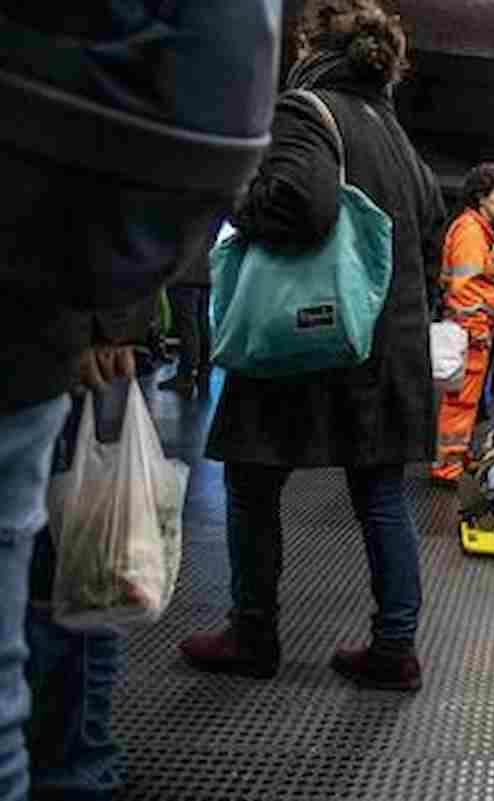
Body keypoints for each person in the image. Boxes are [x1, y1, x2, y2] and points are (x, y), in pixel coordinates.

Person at [1, 6, 280, 800]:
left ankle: (77, 760)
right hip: (58, 308)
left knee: (71, 563)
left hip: (55, 313)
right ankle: (73, 758)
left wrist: (108, 306)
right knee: (71, 558)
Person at [181, 0, 445, 692]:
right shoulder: (392, 128)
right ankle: (395, 645)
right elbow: (432, 221)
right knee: (381, 497)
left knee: (250, 478)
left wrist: (236, 196)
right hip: (384, 344)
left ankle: (253, 631)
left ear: (311, 44)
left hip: (307, 339)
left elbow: (301, 202)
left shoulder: (306, 109)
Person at [429, 163, 494, 485]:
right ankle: (446, 467)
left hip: (476, 329)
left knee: (467, 400)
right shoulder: (470, 231)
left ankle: (459, 452)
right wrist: (484, 317)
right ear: (482, 197)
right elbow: (465, 289)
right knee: (460, 400)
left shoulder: (480, 230)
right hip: (471, 329)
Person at [158, 220, 221, 396]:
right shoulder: (213, 207)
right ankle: (203, 371)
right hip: (205, 270)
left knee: (188, 324)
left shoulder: (185, 204)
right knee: (201, 323)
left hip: (184, 272)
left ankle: (185, 375)